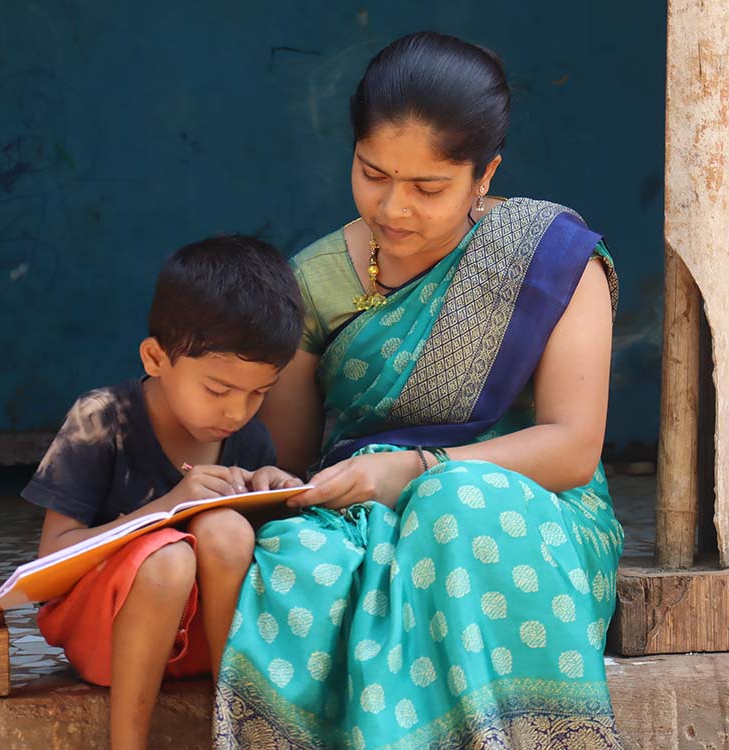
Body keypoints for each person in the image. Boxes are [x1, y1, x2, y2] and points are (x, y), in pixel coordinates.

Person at [212, 32, 624, 748]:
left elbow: (572, 449)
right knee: (300, 562)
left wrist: (417, 471)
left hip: (524, 516)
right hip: (366, 511)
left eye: (428, 188)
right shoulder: (313, 283)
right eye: (373, 174)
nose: (393, 208)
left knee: (455, 503)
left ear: (483, 176)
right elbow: (293, 469)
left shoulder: (549, 259)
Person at [21, 235, 305, 750]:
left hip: (199, 641)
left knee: (225, 529)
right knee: (169, 559)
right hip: (105, 638)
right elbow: (46, 572)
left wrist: (275, 497)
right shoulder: (101, 419)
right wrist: (167, 508)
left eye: (259, 392)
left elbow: (247, 561)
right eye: (218, 390)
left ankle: (234, 731)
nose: (236, 412)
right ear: (155, 358)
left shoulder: (250, 438)